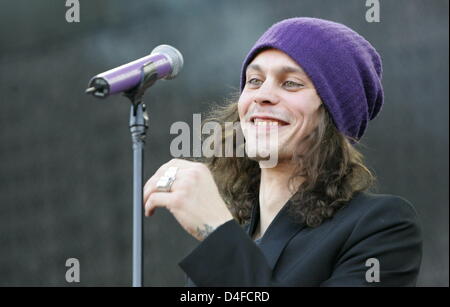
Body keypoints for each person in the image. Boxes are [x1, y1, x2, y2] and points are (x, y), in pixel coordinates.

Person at [143, 17, 422, 286]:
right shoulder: (232, 239)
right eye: (254, 80)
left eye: (291, 83)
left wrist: (217, 232)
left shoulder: (382, 227)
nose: (262, 95)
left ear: (334, 115)